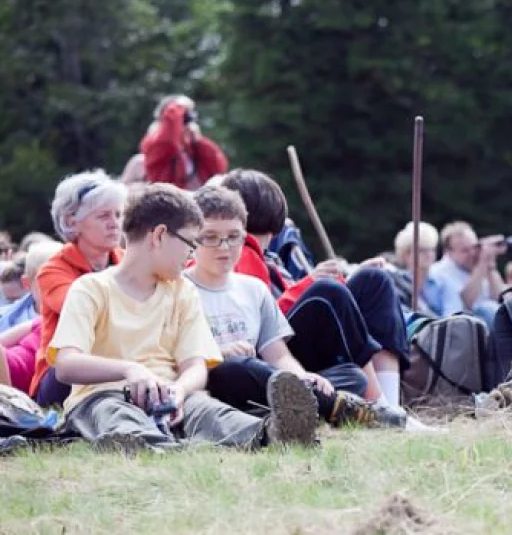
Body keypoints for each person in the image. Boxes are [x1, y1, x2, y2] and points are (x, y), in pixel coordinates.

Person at [47, 183, 319, 450]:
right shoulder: (92, 288)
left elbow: (196, 366)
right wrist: (129, 370)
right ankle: (148, 444)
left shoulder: (181, 290)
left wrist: (179, 391)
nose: (191, 253)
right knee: (114, 414)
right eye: (190, 242)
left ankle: (272, 434)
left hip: (169, 395)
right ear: (160, 236)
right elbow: (66, 364)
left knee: (210, 411)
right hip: (101, 395)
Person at [185, 186, 403, 428]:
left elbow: (277, 353)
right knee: (234, 369)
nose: (224, 247)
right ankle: (325, 405)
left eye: (233, 237)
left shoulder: (253, 289)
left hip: (268, 382)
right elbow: (173, 358)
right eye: (211, 237)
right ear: (193, 238)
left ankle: (300, 404)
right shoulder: (179, 288)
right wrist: (221, 353)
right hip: (218, 384)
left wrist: (301, 376)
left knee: (353, 376)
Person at [30, 170, 127, 406]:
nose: (114, 223)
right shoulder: (53, 271)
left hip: (121, 364)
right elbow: (88, 312)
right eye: (103, 215)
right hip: (60, 380)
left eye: (118, 214)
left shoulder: (128, 261)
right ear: (72, 222)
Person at [0, 241, 64, 392]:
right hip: (10, 365)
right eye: (47, 281)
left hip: (24, 379)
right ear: (28, 283)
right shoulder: (38, 321)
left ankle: (8, 404)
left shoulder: (74, 318)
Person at [139, 94, 228, 190]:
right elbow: (168, 140)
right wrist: (177, 106)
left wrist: (199, 142)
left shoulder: (190, 147)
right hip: (168, 200)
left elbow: (219, 168)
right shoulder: (155, 143)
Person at [429, 221, 507, 324]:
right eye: (465, 250)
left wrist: (490, 265)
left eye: (475, 247)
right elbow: (466, 304)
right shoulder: (439, 273)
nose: (472, 253)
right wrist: (482, 264)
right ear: (449, 252)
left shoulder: (477, 265)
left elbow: (499, 299)